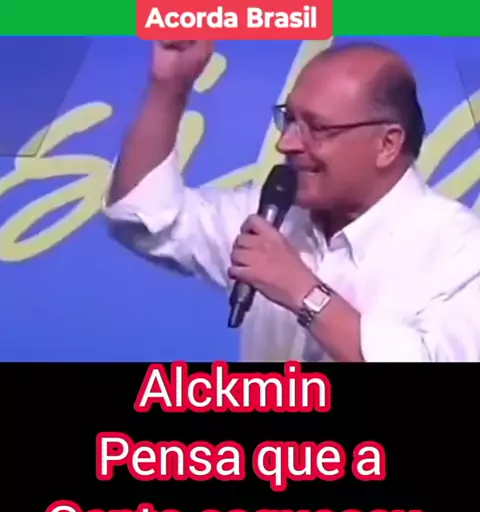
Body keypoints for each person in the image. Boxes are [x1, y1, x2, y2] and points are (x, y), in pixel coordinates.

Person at [104, 41, 480, 362]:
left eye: (317, 128)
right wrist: (170, 86)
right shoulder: (270, 219)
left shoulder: (460, 251)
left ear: (387, 144)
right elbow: (144, 216)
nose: (287, 143)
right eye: (289, 120)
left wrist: (303, 291)